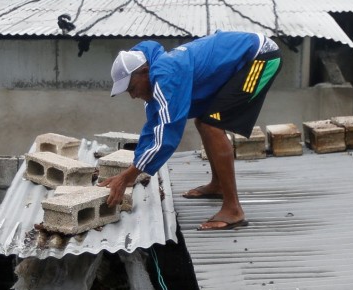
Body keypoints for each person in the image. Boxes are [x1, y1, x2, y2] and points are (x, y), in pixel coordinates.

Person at [100, 31, 281, 230]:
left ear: (144, 71)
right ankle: (218, 185)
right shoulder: (155, 79)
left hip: (260, 58)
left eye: (132, 88)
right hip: (242, 59)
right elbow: (154, 127)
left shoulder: (166, 79)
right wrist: (133, 168)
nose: (133, 96)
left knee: (212, 126)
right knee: (204, 122)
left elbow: (167, 135)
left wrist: (128, 176)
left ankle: (233, 210)